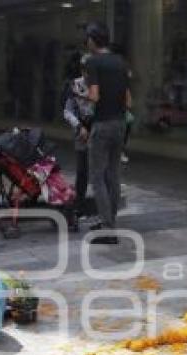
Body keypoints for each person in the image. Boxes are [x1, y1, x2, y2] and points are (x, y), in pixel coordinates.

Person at [85, 22, 131, 245]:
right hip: (120, 123)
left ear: (93, 40)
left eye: (88, 38)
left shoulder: (92, 62)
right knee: (113, 174)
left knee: (97, 176)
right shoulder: (120, 62)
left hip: (102, 123)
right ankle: (110, 221)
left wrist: (81, 95)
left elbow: (94, 95)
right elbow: (128, 99)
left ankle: (107, 229)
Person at [63, 54, 95, 220]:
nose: (89, 74)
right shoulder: (75, 85)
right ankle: (79, 207)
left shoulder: (100, 85)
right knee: (82, 171)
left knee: (97, 171)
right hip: (81, 131)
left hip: (97, 130)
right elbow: (67, 111)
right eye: (86, 70)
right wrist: (79, 126)